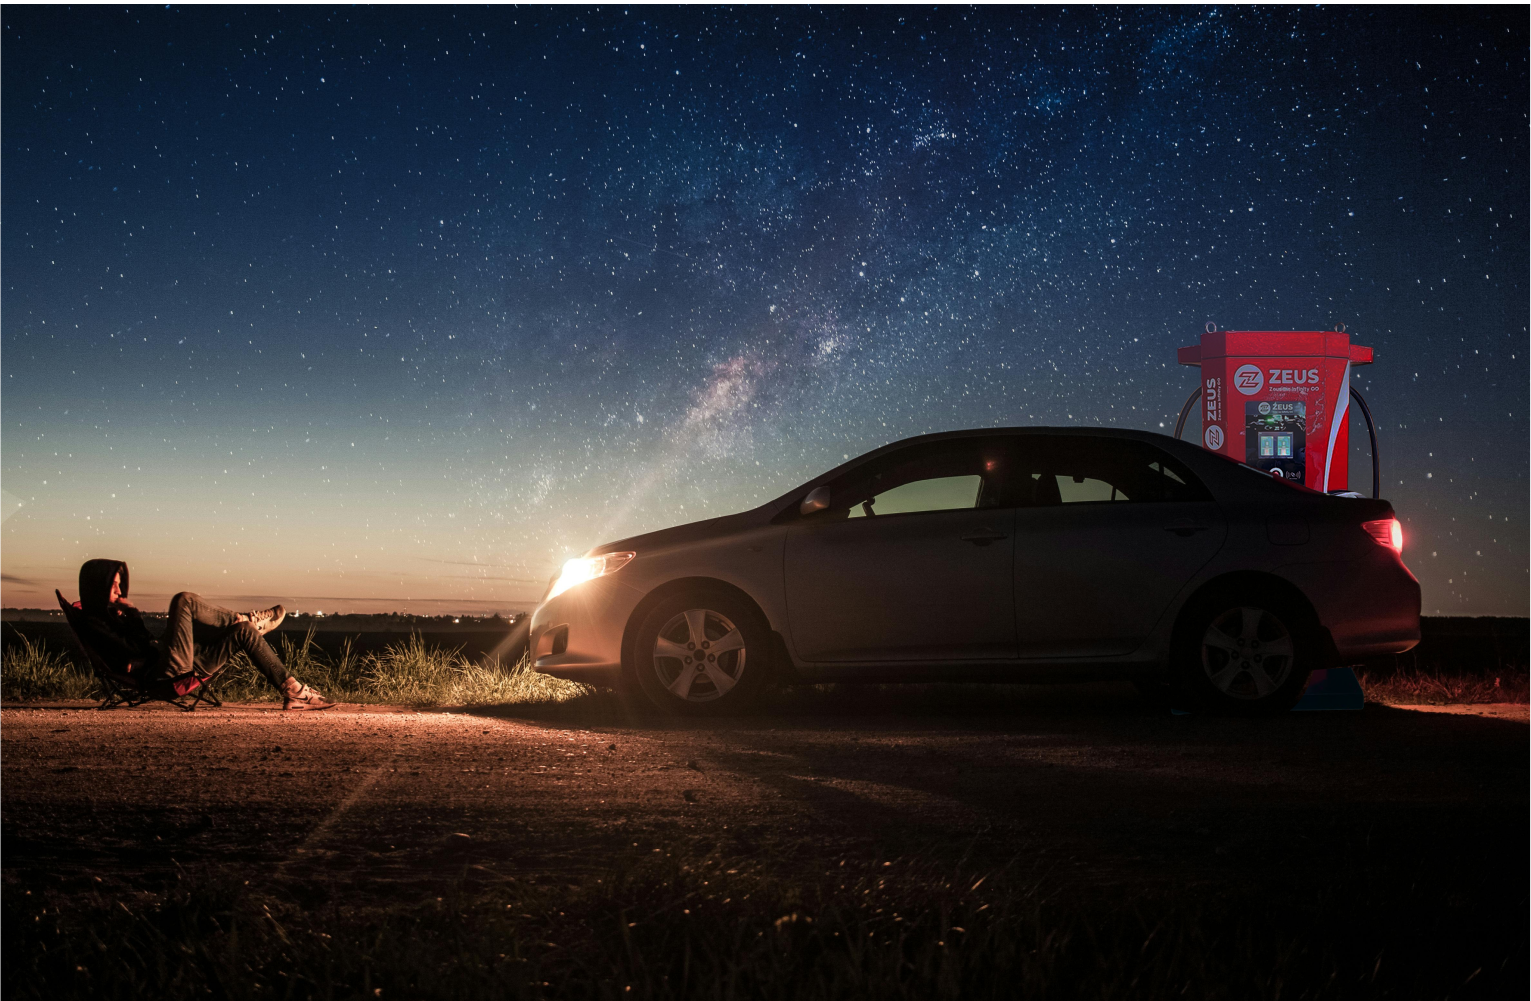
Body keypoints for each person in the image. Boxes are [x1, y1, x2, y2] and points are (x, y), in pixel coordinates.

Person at [73, 559, 334, 710]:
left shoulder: (112, 616)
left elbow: (139, 642)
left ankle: (294, 691)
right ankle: (246, 617)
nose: (119, 591)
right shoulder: (93, 622)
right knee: (183, 600)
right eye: (113, 585)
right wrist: (133, 620)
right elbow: (129, 655)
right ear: (98, 587)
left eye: (119, 585)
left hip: (173, 660)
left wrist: (131, 616)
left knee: (243, 632)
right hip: (164, 672)